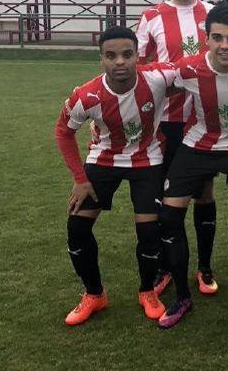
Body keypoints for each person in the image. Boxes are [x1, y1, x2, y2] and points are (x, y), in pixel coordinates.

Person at [157, 3, 228, 328]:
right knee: (169, 216)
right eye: (217, 37)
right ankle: (182, 296)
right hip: (197, 147)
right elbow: (151, 88)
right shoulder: (188, 69)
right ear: (206, 38)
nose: (225, 45)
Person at [54, 26, 172, 326]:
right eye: (111, 56)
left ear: (137, 56)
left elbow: (195, 68)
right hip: (103, 161)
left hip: (148, 162)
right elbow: (63, 132)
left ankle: (148, 291)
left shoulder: (157, 79)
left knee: (149, 232)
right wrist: (81, 179)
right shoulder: (87, 95)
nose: (119, 62)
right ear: (101, 59)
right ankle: (94, 294)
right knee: (77, 229)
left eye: (126, 55)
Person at [136, 0, 217, 298]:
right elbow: (139, 70)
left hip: (205, 118)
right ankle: (170, 265)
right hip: (165, 121)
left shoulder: (215, 14)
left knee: (204, 193)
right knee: (168, 197)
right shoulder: (152, 16)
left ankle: (205, 266)